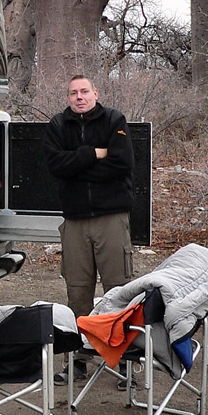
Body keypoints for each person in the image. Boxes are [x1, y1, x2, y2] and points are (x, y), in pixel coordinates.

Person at [43, 75, 135, 382]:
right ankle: (78, 360)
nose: (79, 97)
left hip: (111, 218)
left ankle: (125, 362)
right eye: (73, 93)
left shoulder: (113, 119)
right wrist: (93, 154)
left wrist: (77, 168)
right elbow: (56, 167)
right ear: (68, 97)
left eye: (84, 91)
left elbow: (122, 163)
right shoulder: (58, 125)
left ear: (95, 93)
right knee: (78, 292)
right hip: (75, 222)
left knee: (118, 290)